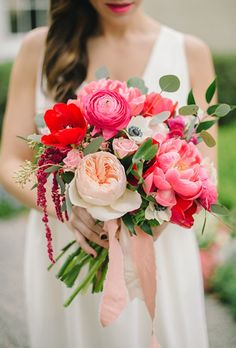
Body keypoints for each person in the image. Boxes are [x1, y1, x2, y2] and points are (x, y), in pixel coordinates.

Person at [0, 1, 218, 347]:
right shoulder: (40, 48)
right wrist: (66, 207)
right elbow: (10, 161)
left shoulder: (190, 52)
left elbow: (205, 167)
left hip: (159, 251)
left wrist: (158, 209)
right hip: (69, 238)